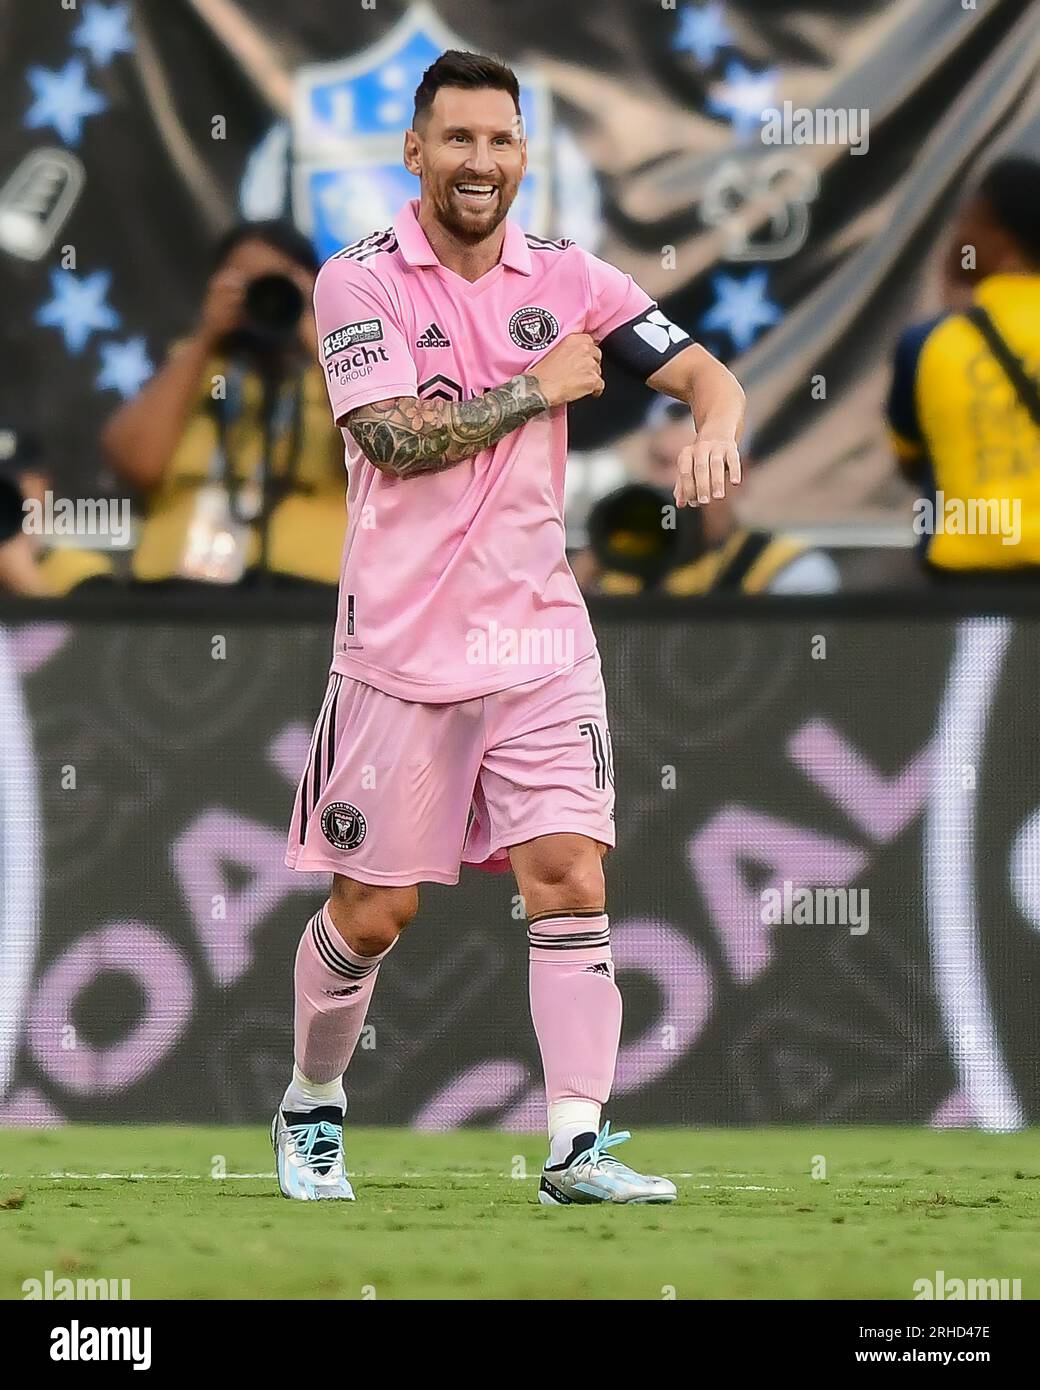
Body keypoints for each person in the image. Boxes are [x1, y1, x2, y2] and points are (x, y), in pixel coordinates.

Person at [274, 51, 745, 1205]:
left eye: (500, 140)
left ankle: (575, 1147)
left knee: (568, 873)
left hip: (539, 635)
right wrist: (539, 388)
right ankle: (312, 1103)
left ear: (523, 154)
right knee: (373, 913)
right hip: (400, 645)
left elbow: (702, 373)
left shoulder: (569, 275)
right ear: (415, 153)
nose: (479, 162)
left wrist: (713, 423)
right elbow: (388, 437)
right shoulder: (358, 279)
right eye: (458, 140)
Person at [101, 220, 346, 587]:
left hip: (307, 596)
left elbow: (380, 456)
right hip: (180, 592)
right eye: (247, 283)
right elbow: (136, 464)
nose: (267, 296)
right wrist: (205, 337)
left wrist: (316, 330)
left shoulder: (340, 377)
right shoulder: (187, 366)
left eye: (280, 283)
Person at [887, 156, 1040, 577]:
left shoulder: (927, 343)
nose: (958, 239)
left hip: (971, 589)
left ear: (1002, 243)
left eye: (969, 223)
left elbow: (911, 460)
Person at [573, 397, 841, 595]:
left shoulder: (784, 568)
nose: (675, 482)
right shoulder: (614, 567)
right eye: (664, 462)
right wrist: (579, 582)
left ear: (739, 475)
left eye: (697, 466)